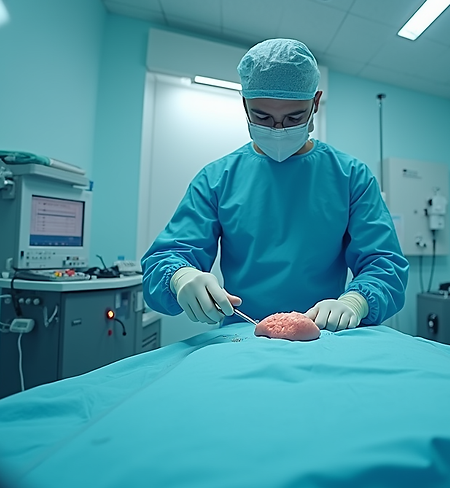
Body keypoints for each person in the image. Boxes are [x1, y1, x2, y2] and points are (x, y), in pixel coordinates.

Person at [141, 38, 409, 332]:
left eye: (294, 117)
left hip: (325, 336)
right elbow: (166, 259)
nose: (278, 130)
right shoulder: (217, 178)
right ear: (244, 104)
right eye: (262, 117)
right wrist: (180, 277)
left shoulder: (351, 177)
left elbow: (385, 265)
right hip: (242, 334)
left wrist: (355, 302)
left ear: (315, 103)